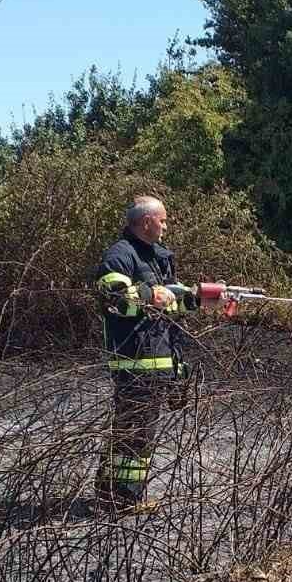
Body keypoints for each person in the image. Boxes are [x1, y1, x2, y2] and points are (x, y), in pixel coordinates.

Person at [93, 195, 195, 511]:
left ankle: (109, 492)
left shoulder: (153, 258)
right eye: (162, 220)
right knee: (136, 436)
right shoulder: (120, 255)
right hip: (135, 361)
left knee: (129, 431)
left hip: (155, 361)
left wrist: (202, 298)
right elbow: (112, 297)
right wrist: (151, 294)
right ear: (147, 221)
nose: (166, 226)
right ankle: (124, 500)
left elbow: (173, 302)